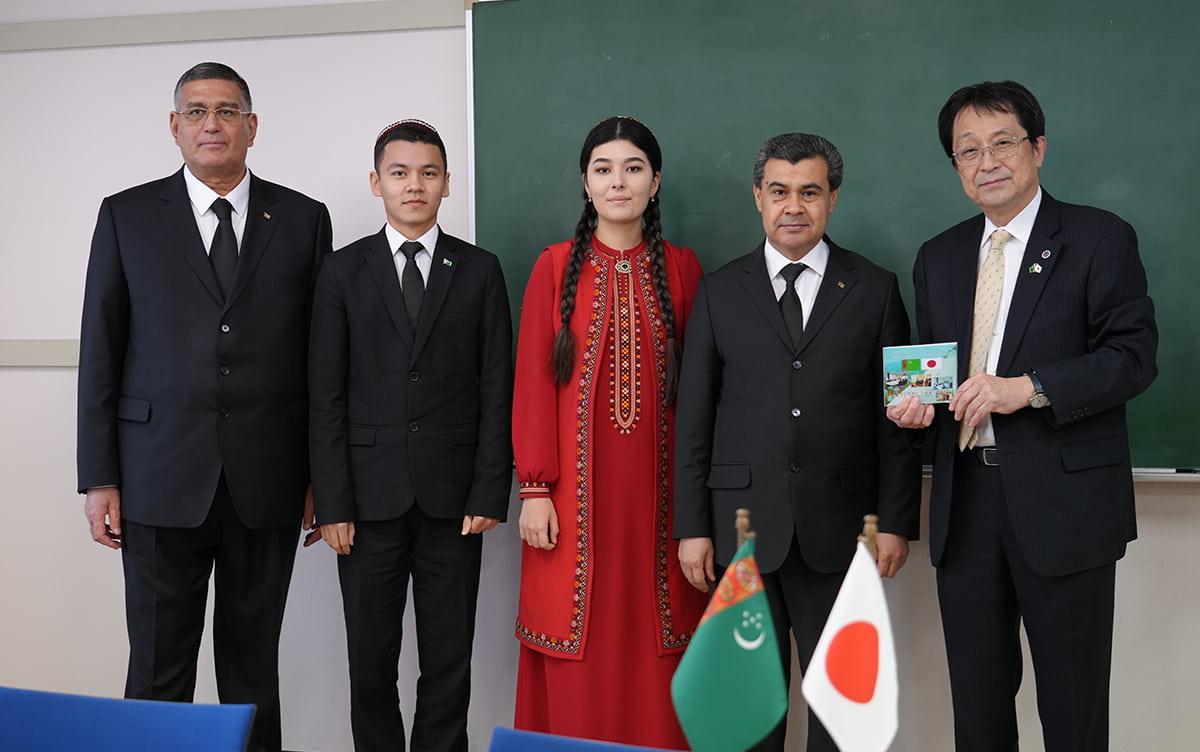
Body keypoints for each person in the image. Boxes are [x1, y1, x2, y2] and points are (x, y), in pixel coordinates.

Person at [887, 80, 1158, 751]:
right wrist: (915, 406)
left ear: (1037, 147)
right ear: (955, 166)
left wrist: (1028, 387)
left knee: (1072, 706)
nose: (987, 162)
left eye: (1002, 142)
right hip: (967, 503)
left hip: (1064, 502)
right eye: (967, 150)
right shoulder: (939, 256)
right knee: (977, 707)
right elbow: (936, 373)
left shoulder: (1098, 238)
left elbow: (1133, 357)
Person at [76, 62, 332, 752]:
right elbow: (101, 350)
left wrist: (320, 475)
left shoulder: (304, 219)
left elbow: (319, 358)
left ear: (252, 125)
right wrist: (100, 476)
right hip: (156, 480)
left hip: (268, 480)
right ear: (174, 127)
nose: (211, 124)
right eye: (195, 111)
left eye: (226, 110)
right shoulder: (126, 215)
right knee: (158, 673)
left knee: (253, 676)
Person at [674, 132, 921, 752]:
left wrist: (896, 519)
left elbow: (896, 419)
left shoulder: (874, 288)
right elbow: (695, 418)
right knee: (748, 714)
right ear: (758, 197)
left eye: (809, 192)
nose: (793, 206)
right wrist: (691, 527)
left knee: (842, 715)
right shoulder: (720, 291)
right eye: (779, 191)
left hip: (841, 530)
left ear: (832, 199)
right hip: (740, 531)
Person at [308, 119, 512, 752]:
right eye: (400, 173)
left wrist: (487, 491)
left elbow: (495, 388)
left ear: (447, 184)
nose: (414, 185)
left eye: (428, 173)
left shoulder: (479, 270)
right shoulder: (342, 272)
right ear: (377, 183)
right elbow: (327, 394)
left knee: (449, 662)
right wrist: (333, 501)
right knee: (370, 663)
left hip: (454, 503)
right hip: (365, 505)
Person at [511, 116, 707, 748]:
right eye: (603, 169)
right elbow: (534, 387)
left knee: (661, 639)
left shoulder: (682, 269)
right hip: (571, 505)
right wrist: (535, 488)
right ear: (585, 183)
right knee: (577, 638)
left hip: (660, 506)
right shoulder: (553, 266)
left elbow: (700, 399)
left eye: (632, 168)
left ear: (655, 183)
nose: (617, 181)